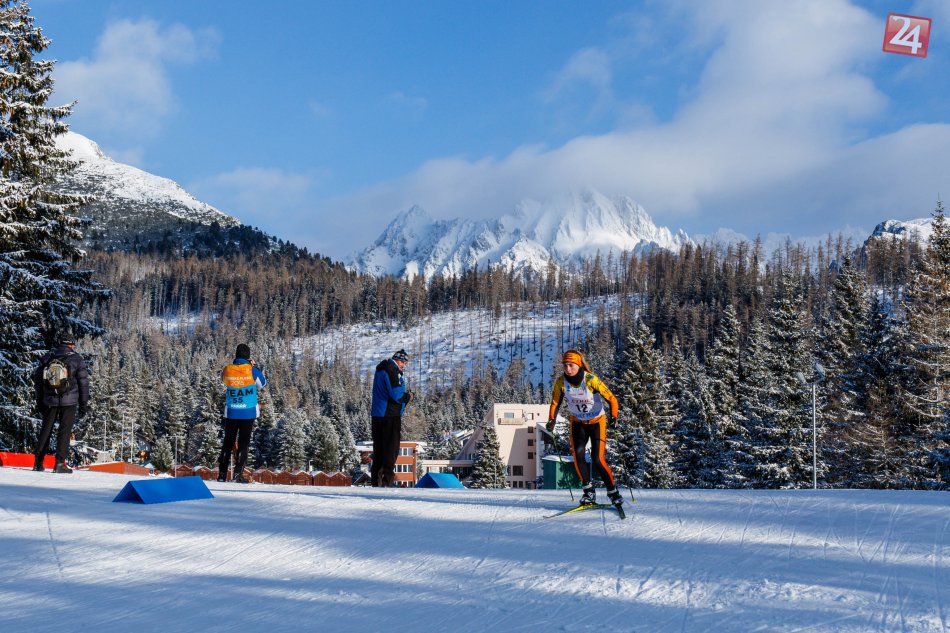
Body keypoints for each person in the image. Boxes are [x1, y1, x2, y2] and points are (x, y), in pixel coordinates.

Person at [547, 349, 622, 509]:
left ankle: (613, 492)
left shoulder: (590, 379)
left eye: (571, 365)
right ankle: (588, 492)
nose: (568, 369)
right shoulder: (561, 382)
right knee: (578, 456)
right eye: (565, 365)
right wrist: (551, 420)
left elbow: (612, 399)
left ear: (579, 364)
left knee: (597, 459)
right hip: (578, 423)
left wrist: (614, 417)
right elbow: (555, 403)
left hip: (597, 422)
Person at [33, 332, 90, 474]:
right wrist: (83, 404)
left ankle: (38, 462)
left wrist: (40, 400)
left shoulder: (48, 357)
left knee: (46, 430)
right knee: (64, 431)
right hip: (69, 401)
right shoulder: (77, 359)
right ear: (71, 345)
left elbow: (38, 382)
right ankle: (59, 464)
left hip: (49, 400)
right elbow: (83, 383)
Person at [218, 343, 267, 483]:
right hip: (248, 412)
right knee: (243, 443)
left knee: (228, 442)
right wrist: (254, 366)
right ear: (248, 357)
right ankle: (238, 473)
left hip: (232, 411)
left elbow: (223, 379)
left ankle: (222, 474)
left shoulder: (227, 369)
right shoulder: (252, 370)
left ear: (236, 355)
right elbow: (262, 384)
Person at [370, 349, 412, 487]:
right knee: (391, 448)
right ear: (398, 360)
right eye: (403, 362)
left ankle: (376, 481)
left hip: (377, 414)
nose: (404, 366)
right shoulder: (391, 370)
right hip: (389, 415)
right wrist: (408, 397)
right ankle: (386, 481)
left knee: (379, 449)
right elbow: (397, 395)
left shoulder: (381, 369)